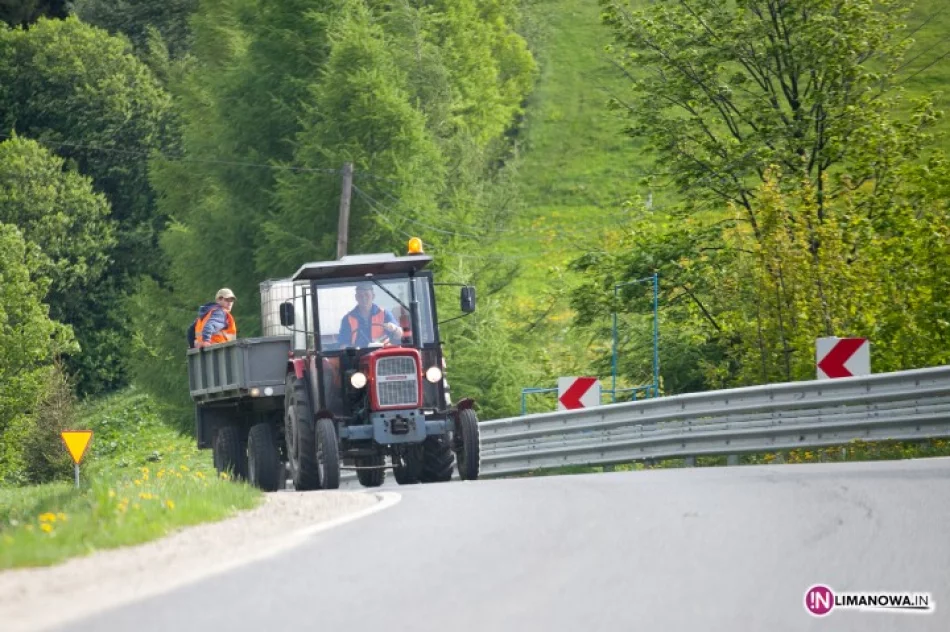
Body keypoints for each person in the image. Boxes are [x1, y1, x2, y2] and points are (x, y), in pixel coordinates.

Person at [337, 282, 402, 347]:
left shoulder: (384, 314)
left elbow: (399, 335)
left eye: (367, 295)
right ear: (356, 297)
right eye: (360, 296)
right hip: (359, 354)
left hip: (381, 352)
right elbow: (343, 344)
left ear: (373, 296)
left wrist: (394, 328)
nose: (364, 298)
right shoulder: (347, 319)